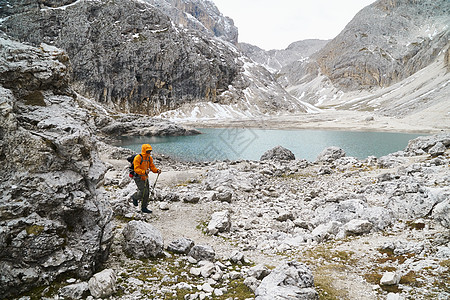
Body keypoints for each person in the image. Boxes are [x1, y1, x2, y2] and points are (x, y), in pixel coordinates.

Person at [131, 144, 161, 213]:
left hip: (145, 177)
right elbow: (136, 169)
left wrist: (157, 170)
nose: (149, 152)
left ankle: (144, 208)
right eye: (148, 151)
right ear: (144, 150)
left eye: (150, 151)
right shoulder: (138, 158)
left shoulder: (149, 158)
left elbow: (152, 167)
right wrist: (144, 172)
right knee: (143, 192)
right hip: (138, 177)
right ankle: (134, 197)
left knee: (147, 193)